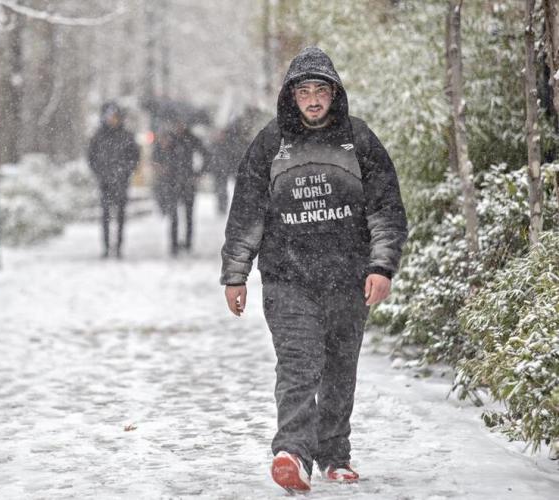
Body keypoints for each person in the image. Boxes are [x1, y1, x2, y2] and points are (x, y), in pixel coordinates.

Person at [220, 47, 407, 492]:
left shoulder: (359, 141)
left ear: (334, 94)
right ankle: (292, 454)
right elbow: (248, 211)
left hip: (349, 276)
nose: (312, 99)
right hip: (289, 278)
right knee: (300, 364)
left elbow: (386, 210)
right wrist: (235, 273)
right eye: (303, 91)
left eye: (320, 90)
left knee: (341, 367)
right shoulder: (271, 143)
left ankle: (334, 453)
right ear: (292, 97)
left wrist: (382, 266)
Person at [88, 102, 140, 259]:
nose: (113, 120)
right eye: (110, 117)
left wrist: (125, 172)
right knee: (105, 216)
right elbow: (91, 157)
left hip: (121, 181)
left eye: (115, 117)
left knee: (120, 216)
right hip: (105, 182)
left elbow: (134, 157)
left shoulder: (126, 136)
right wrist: (100, 172)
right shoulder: (98, 136)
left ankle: (118, 247)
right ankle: (105, 247)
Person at [153, 118, 209, 255]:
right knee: (173, 214)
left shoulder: (192, 139)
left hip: (188, 181)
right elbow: (156, 156)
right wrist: (161, 168)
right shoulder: (168, 138)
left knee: (188, 215)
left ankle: (188, 243)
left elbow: (206, 156)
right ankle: (173, 244)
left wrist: (198, 173)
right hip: (171, 182)